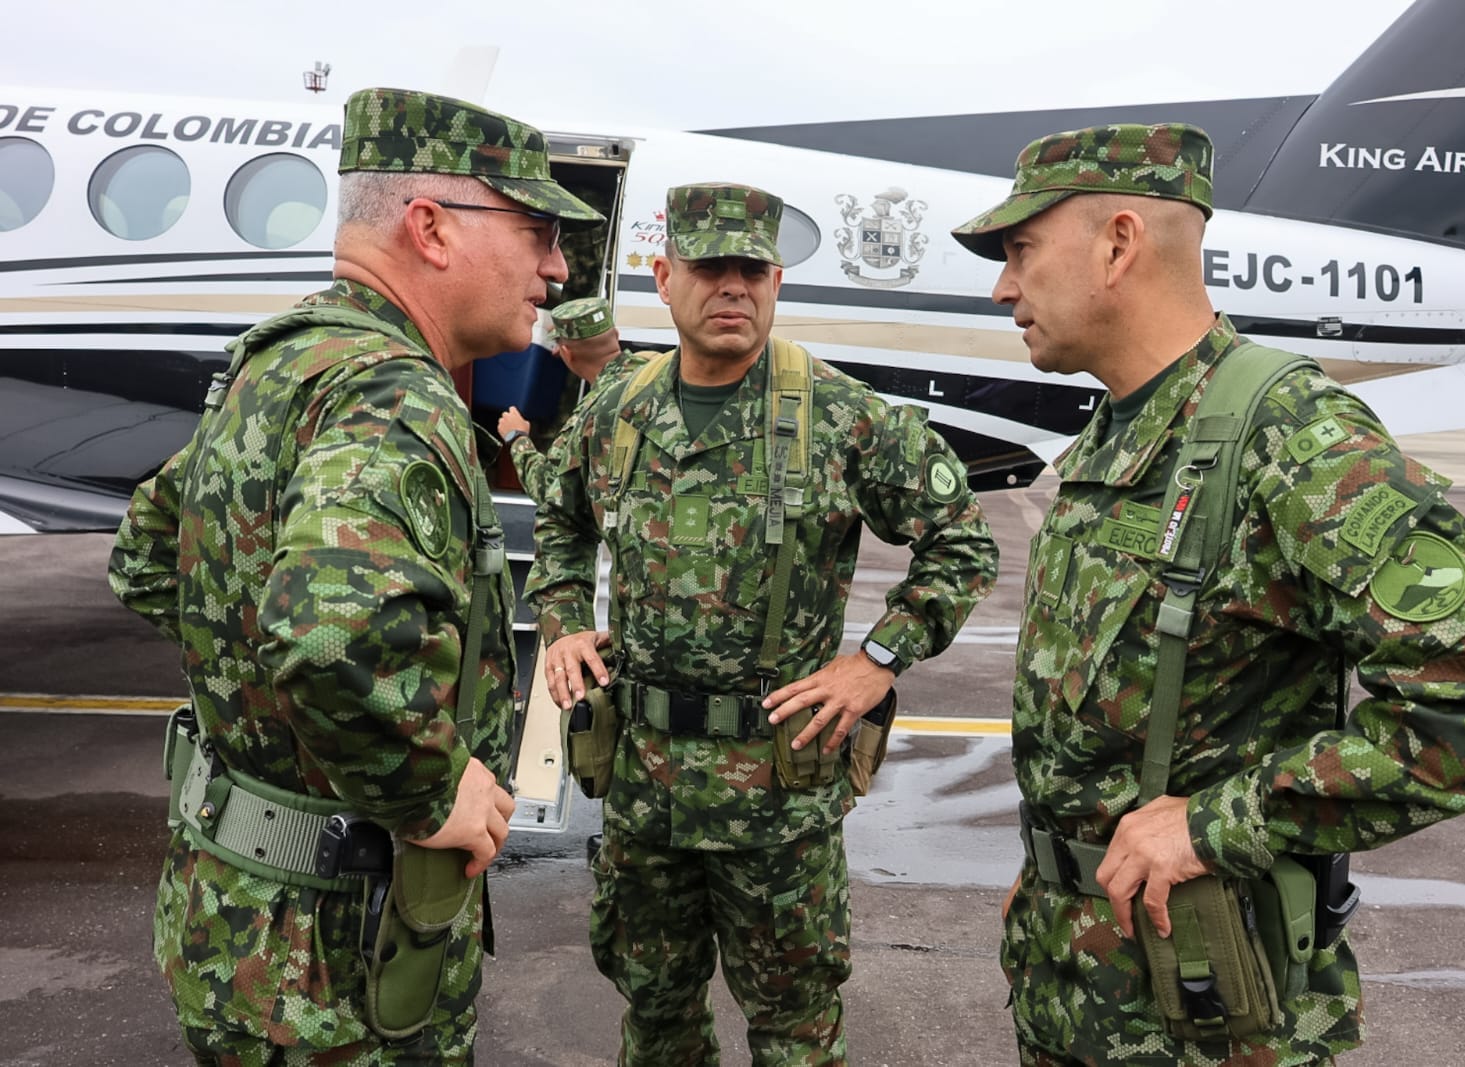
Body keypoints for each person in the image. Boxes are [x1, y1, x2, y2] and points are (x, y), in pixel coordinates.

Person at [949, 123, 1465, 1066]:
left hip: (1208, 1017)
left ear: (1118, 244)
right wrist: (1056, 875)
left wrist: (1215, 823)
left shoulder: (1291, 438)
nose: (1003, 285)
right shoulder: (1112, 440)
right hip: (1077, 982)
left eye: (1021, 249)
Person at [107, 86, 603, 1065]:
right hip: (334, 957)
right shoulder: (392, 395)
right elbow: (325, 639)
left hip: (233, 914)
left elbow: (147, 554)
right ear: (430, 227)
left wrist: (255, 709)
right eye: (539, 229)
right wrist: (426, 786)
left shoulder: (278, 365)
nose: (556, 267)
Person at [529, 182, 999, 1065]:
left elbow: (962, 542)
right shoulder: (619, 411)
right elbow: (557, 513)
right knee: (656, 1022)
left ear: (778, 281)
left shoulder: (843, 417)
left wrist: (878, 658)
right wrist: (561, 619)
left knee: (795, 1034)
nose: (733, 288)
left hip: (777, 804)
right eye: (710, 269)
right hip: (645, 796)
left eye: (752, 269)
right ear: (665, 279)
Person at [497, 295, 644, 499]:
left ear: (565, 352)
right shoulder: (654, 375)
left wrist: (517, 437)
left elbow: (551, 491)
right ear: (616, 335)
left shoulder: (593, 411)